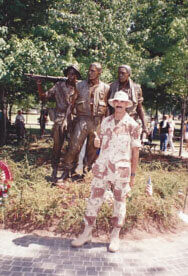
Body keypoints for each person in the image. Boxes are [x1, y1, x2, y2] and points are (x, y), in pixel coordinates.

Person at [71, 91, 141, 252]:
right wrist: (97, 144)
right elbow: (100, 144)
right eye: (117, 101)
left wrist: (133, 176)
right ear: (113, 103)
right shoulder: (105, 122)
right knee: (93, 200)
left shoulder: (133, 125)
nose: (119, 104)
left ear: (127, 105)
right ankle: (86, 233)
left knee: (119, 203)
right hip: (102, 168)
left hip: (121, 170)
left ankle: (115, 236)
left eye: (122, 102)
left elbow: (136, 152)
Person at [57, 62, 110, 184]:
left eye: (93, 71)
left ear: (99, 72)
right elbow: (71, 104)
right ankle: (66, 172)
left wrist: (106, 125)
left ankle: (86, 173)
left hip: (97, 122)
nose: (90, 73)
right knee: (74, 146)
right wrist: (66, 119)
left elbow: (107, 109)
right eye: (89, 70)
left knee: (92, 150)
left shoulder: (106, 88)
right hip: (82, 120)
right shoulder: (79, 85)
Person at [36, 65, 81, 182]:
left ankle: (70, 172)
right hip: (60, 119)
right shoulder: (59, 86)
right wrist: (39, 84)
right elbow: (43, 97)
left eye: (74, 74)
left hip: (74, 120)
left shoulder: (80, 87)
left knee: (73, 147)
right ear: (66, 74)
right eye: (70, 73)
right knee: (57, 146)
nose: (72, 76)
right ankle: (54, 170)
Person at [108, 64, 148, 134]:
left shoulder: (136, 88)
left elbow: (139, 108)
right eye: (119, 73)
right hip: (114, 121)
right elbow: (107, 107)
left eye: (123, 73)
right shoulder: (111, 87)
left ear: (129, 74)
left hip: (130, 120)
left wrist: (145, 125)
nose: (120, 75)